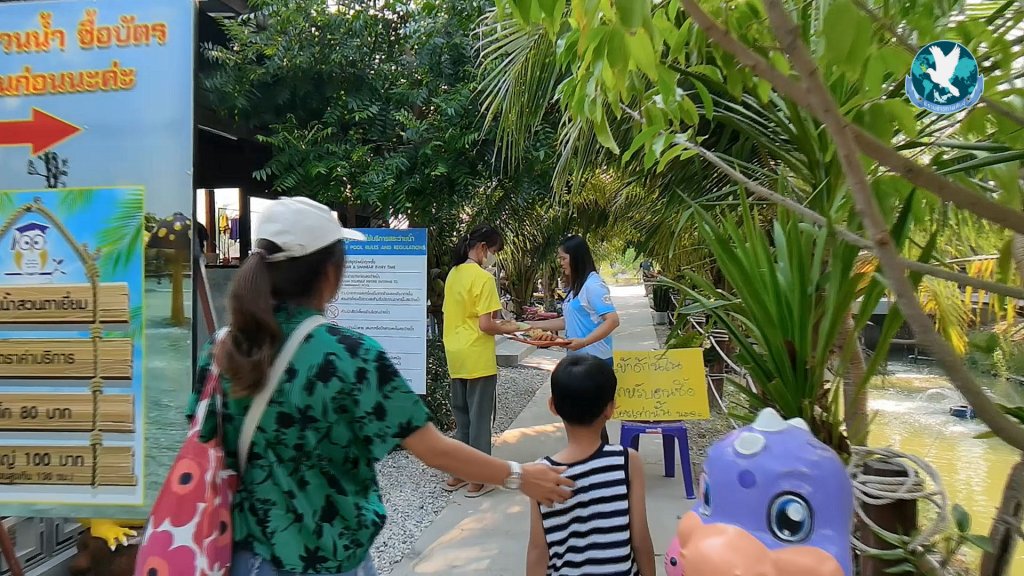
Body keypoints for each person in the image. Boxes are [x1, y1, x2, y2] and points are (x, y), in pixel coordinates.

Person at [187, 198, 573, 576]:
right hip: (333, 560)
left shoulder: (221, 349)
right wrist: (520, 475)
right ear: (330, 272)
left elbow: (202, 440)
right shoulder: (351, 355)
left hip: (244, 558)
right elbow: (433, 449)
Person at [527, 355, 655, 576]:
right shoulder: (627, 461)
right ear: (610, 408)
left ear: (553, 406)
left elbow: (538, 550)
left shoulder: (541, 473)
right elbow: (640, 539)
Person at [441, 224, 521, 497]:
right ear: (484, 248)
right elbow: (487, 325)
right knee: (480, 419)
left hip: (455, 354)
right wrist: (512, 327)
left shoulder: (453, 273)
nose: (494, 257)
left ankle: (457, 474)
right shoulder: (483, 278)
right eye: (495, 250)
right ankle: (478, 479)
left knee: (461, 418)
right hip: (477, 356)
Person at [527, 235, 621, 441]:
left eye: (563, 258)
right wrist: (531, 326)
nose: (560, 263)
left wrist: (584, 342)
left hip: (595, 363)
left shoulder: (593, 286)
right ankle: (591, 456)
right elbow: (566, 321)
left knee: (592, 421)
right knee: (581, 421)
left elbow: (612, 320)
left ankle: (599, 457)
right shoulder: (578, 287)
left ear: (576, 257)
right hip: (577, 361)